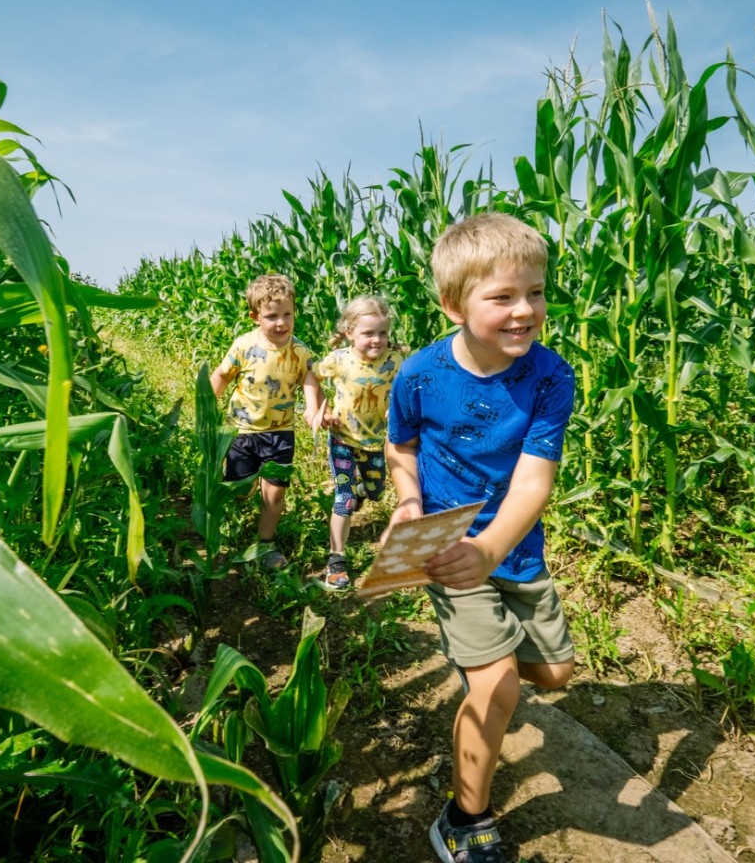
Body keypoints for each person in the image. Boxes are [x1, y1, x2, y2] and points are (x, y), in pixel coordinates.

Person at [385, 212, 576, 863]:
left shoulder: (550, 377)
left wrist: (491, 551)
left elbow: (533, 484)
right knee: (497, 685)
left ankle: (487, 672)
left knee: (553, 673)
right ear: (452, 304)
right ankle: (466, 820)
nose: (525, 310)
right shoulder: (419, 374)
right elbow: (400, 445)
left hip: (513, 549)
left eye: (537, 292)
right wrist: (408, 500)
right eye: (502, 297)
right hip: (449, 546)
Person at [210, 273, 322, 569]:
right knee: (240, 491)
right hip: (241, 432)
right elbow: (222, 375)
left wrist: (312, 408)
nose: (281, 323)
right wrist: (207, 407)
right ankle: (241, 487)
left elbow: (310, 378)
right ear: (255, 317)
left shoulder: (299, 351)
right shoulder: (244, 346)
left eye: (287, 314)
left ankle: (265, 544)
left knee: (275, 493)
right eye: (272, 316)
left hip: (280, 433)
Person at [314, 296, 405, 590]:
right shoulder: (339, 360)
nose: (377, 340)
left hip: (377, 441)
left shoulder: (395, 361)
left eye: (382, 333)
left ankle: (361, 490)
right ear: (350, 332)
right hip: (344, 438)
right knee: (344, 497)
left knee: (376, 491)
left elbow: (405, 386)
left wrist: (399, 405)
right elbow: (310, 377)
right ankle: (336, 560)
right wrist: (319, 410)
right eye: (368, 333)